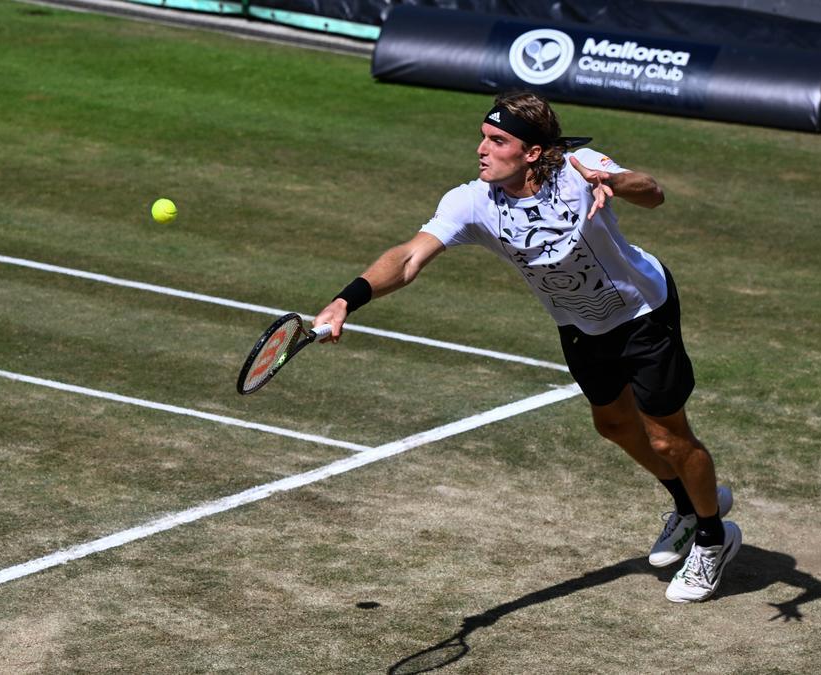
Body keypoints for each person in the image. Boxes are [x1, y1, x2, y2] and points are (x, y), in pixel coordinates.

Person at [314, 91, 740, 603]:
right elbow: (407, 259)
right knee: (613, 425)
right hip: (580, 325)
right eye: (482, 138)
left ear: (533, 152)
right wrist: (346, 301)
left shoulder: (580, 169)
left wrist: (614, 181)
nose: (482, 149)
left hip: (643, 313)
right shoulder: (471, 201)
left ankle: (715, 538)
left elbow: (653, 193)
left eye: (498, 141)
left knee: (668, 437)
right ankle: (691, 504)